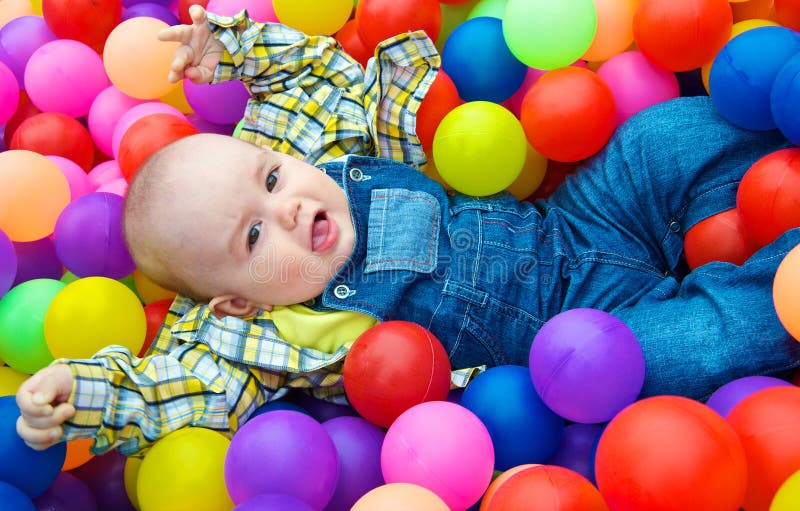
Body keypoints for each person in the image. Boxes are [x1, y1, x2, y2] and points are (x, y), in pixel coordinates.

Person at [16, 6, 800, 456]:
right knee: (699, 349)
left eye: (271, 180)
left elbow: (307, 78)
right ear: (236, 305)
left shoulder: (322, 150)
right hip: (578, 347)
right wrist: (83, 394)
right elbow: (175, 388)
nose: (286, 209)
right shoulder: (271, 337)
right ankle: (777, 277)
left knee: (662, 139)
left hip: (577, 219)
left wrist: (233, 46)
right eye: (253, 240)